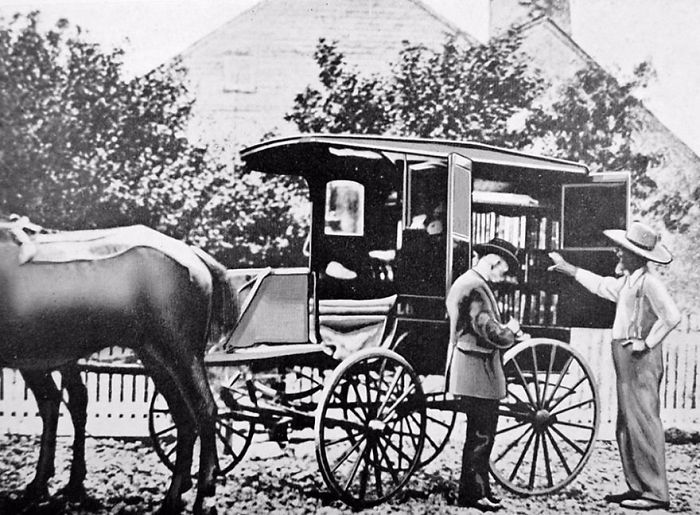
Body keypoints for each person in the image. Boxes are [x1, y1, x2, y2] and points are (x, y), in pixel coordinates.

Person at [548, 221, 680, 511]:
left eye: (623, 251)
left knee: (643, 420)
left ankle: (656, 493)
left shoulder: (649, 283)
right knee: (627, 422)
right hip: (624, 355)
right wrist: (569, 269)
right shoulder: (629, 282)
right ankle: (637, 487)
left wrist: (646, 343)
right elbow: (601, 285)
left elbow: (671, 316)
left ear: (636, 255)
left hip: (639, 358)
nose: (618, 254)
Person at [445, 237, 526, 512]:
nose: (504, 276)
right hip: (477, 370)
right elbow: (487, 330)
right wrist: (511, 332)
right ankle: (474, 494)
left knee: (480, 434)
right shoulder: (477, 288)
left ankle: (481, 490)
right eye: (504, 269)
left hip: (472, 366)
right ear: (494, 261)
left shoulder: (467, 281)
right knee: (482, 435)